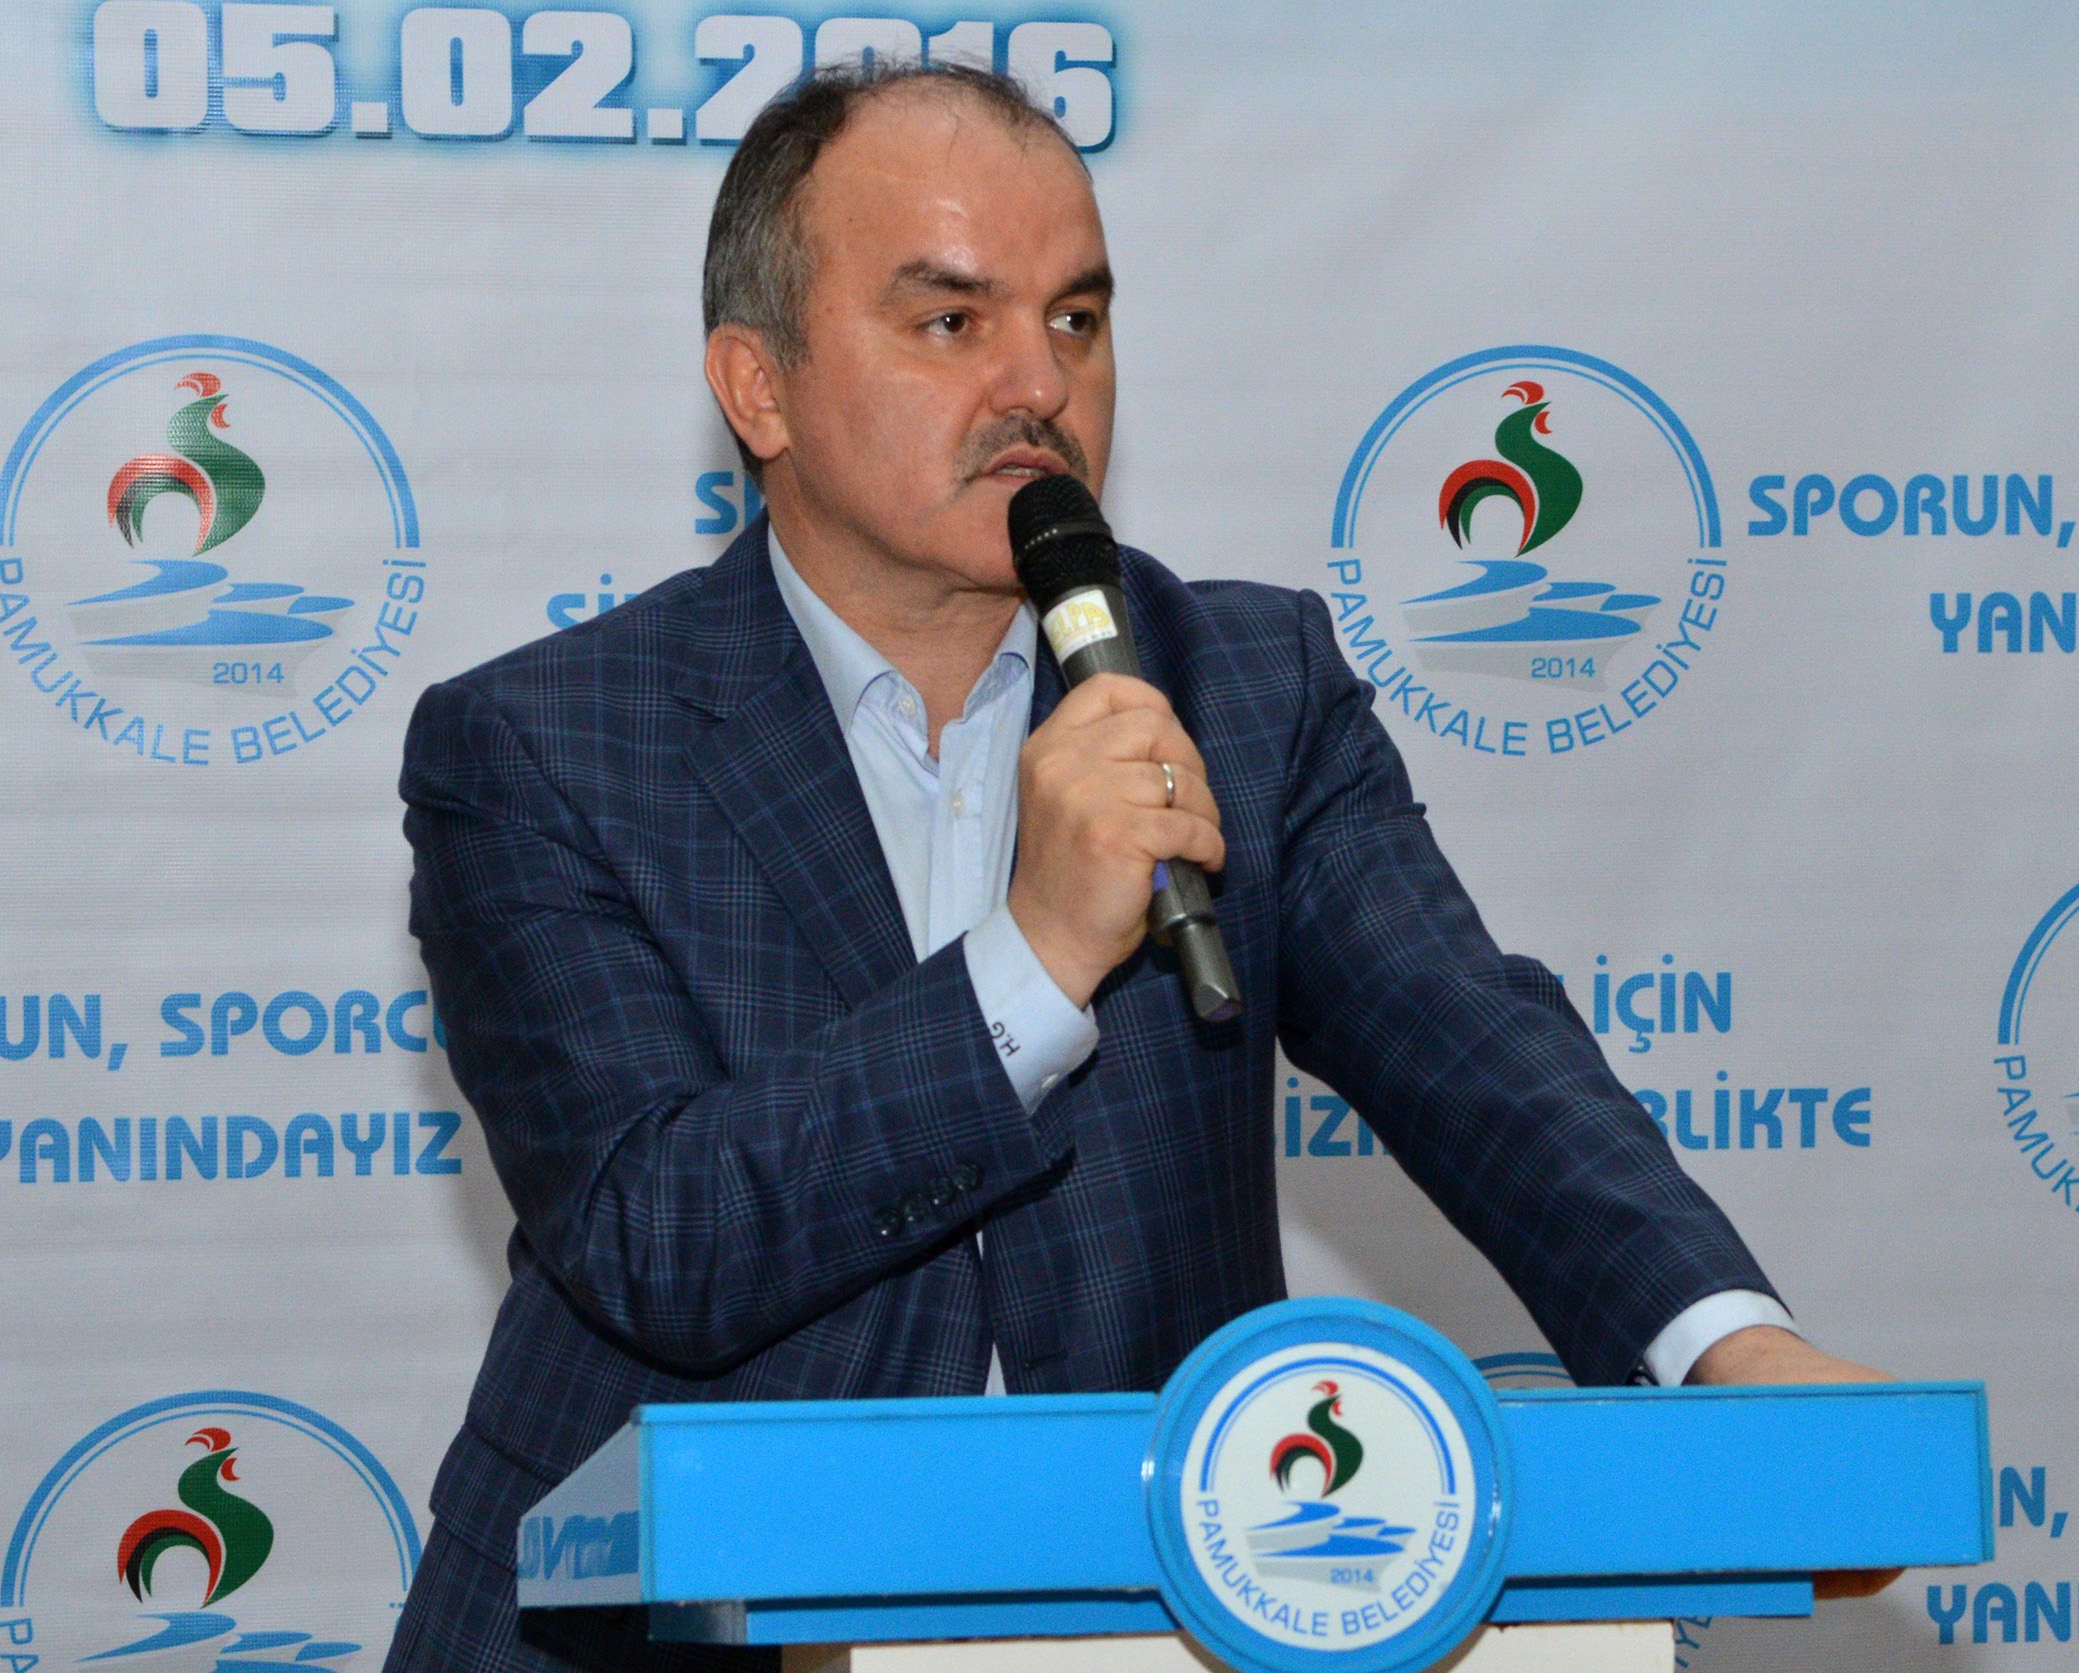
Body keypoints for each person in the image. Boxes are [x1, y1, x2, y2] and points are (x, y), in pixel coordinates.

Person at [382, 62, 1887, 1673]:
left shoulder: (1244, 687)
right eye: (952, 321)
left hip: (1127, 1621)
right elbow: (659, 1234)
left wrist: (1728, 1348)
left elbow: (1477, 1052)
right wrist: (1032, 957)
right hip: (653, 1629)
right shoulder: (544, 748)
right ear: (761, 388)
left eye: (1079, 319)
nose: (1040, 381)